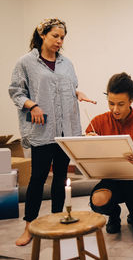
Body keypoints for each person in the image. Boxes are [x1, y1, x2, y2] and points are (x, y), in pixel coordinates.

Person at [9, 18, 96, 246]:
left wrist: (78, 94)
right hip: (42, 129)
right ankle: (29, 226)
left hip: (64, 130)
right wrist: (32, 105)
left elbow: (69, 87)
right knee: (37, 178)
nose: (59, 41)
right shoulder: (25, 62)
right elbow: (16, 92)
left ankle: (58, 220)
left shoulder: (67, 63)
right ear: (42, 35)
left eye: (62, 37)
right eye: (55, 36)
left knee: (60, 178)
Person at [86, 72, 133, 241]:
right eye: (111, 103)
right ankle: (114, 213)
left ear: (131, 100)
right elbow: (87, 157)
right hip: (111, 181)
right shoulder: (97, 122)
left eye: (121, 104)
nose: (115, 109)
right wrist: (88, 142)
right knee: (98, 200)